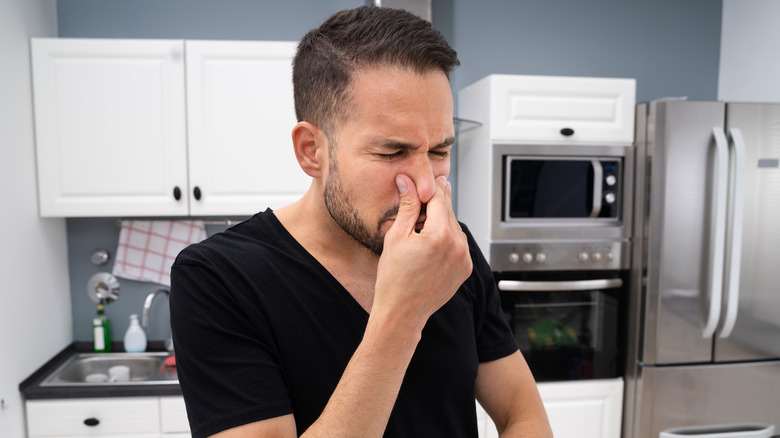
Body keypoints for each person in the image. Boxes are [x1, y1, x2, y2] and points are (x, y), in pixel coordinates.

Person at [170, 6, 552, 438]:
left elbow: (524, 414)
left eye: (440, 151)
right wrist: (403, 315)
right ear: (312, 150)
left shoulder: (450, 250)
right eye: (392, 153)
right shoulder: (218, 278)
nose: (427, 186)